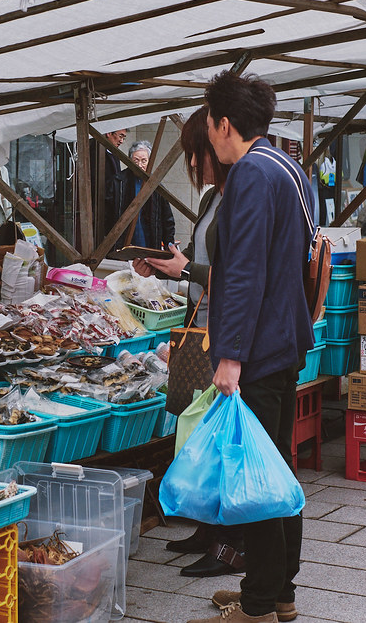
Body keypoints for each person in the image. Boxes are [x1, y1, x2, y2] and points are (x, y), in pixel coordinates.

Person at [187, 72, 314, 623]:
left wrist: (231, 355)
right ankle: (277, 591)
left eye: (210, 124)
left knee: (260, 481)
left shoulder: (251, 175)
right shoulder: (289, 167)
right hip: (285, 340)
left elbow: (242, 273)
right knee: (278, 471)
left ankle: (260, 603)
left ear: (222, 124)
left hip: (259, 350)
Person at [133, 110, 242, 578]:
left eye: (196, 152)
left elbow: (237, 275)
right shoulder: (213, 199)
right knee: (203, 438)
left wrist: (187, 272)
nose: (196, 162)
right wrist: (166, 267)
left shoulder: (240, 196)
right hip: (205, 327)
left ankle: (230, 545)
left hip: (226, 334)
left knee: (222, 442)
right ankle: (207, 528)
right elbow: (201, 263)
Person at [121, 140, 175, 248]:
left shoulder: (156, 185)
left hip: (150, 244)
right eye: (136, 161)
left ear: (149, 162)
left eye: (143, 161)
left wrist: (169, 247)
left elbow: (167, 220)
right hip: (124, 245)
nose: (139, 165)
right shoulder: (120, 182)